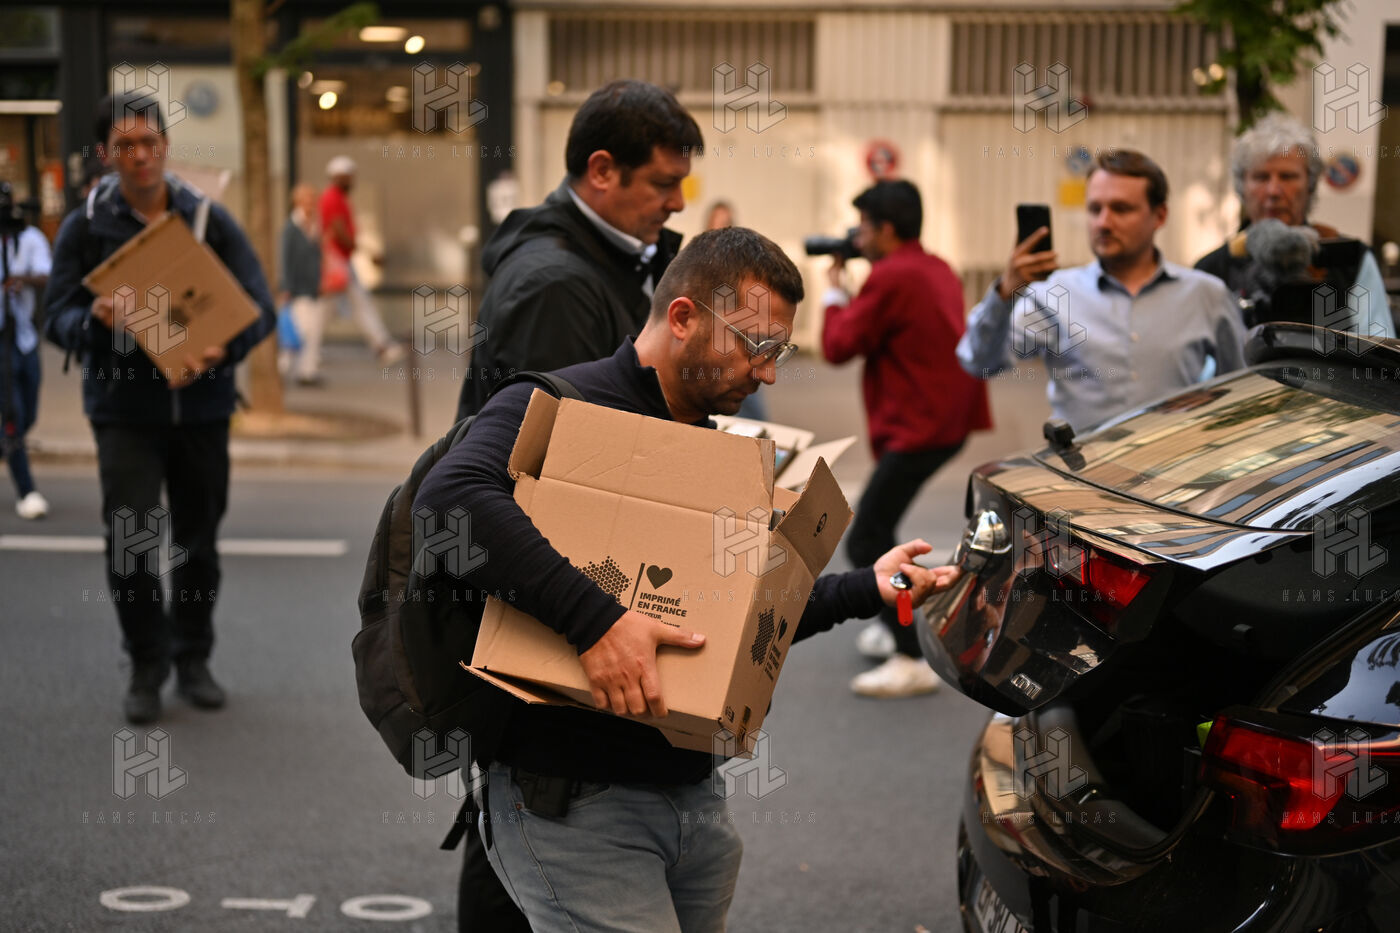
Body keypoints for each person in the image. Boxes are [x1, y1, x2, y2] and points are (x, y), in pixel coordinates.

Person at [416, 227, 960, 933]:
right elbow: (448, 499)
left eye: (778, 353)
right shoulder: (565, 403)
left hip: (693, 803)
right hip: (573, 803)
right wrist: (597, 622)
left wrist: (867, 588)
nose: (767, 374)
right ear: (682, 317)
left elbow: (734, 619)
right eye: (755, 345)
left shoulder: (709, 441)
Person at [43, 93, 276, 724]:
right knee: (131, 545)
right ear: (105, 153)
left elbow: (259, 306)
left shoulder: (207, 219)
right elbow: (55, 316)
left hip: (202, 411)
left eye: (149, 143)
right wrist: (93, 319)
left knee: (198, 546)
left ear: (166, 146)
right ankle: (147, 664)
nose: (139, 156)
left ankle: (192, 657)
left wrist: (224, 347)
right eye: (125, 145)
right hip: (124, 413)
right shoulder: (87, 227)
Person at [822, 180, 992, 697]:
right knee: (882, 528)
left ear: (887, 229)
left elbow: (837, 345)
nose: (857, 237)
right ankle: (890, 618)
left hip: (919, 427)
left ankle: (910, 654)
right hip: (945, 421)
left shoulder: (892, 275)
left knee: (866, 539)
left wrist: (833, 292)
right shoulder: (935, 267)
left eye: (863, 228)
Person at [454, 79, 703, 421]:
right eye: (663, 183)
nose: (678, 203)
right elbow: (567, 443)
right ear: (602, 171)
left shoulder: (623, 254)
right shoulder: (554, 287)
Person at [957, 149, 1247, 435]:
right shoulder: (1053, 295)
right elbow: (979, 363)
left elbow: (1242, 388)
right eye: (1095, 209)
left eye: (1121, 209)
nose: (1104, 223)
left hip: (1176, 461)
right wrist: (1005, 293)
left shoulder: (1205, 294)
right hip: (1081, 463)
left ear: (1159, 216)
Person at [1194, 113, 1395, 338]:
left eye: (1287, 176)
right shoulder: (1213, 270)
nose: (1273, 191)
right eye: (1261, 177)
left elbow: (1378, 345)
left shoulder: (1349, 259)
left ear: (1310, 185)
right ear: (1242, 187)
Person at [320, 156, 405, 366]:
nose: (352, 181)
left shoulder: (338, 198)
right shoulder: (332, 198)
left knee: (326, 310)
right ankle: (382, 346)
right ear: (338, 177)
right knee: (356, 303)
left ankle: (302, 351)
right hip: (337, 262)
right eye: (348, 177)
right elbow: (339, 231)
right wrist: (367, 252)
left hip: (341, 261)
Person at [1, 186, 51, 519]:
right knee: (13, 416)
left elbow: (47, 275)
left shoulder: (30, 238)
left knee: (28, 413)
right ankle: (27, 491)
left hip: (25, 337)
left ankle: (8, 443)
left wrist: (20, 279)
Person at [278, 183, 326, 385]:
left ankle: (307, 371)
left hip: (314, 287)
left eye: (312, 199)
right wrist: (286, 286)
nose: (310, 203)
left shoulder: (315, 225)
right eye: (306, 199)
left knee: (313, 331)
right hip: (298, 288)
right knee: (299, 331)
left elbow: (319, 255)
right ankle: (284, 367)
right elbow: (285, 258)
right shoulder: (291, 227)